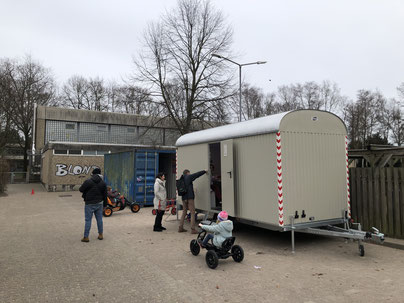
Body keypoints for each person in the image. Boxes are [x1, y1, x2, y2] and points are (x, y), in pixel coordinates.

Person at [79, 168, 107, 242]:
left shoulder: (88, 181)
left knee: (88, 220)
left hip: (89, 203)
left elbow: (81, 189)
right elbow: (105, 195)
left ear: (93, 174)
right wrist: (105, 205)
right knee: (99, 219)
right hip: (99, 203)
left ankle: (86, 237)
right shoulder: (103, 183)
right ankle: (100, 235)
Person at [178, 169, 207, 234]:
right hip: (189, 197)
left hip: (183, 198)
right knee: (192, 212)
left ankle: (180, 227)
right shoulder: (189, 177)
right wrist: (204, 171)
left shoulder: (181, 179)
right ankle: (193, 229)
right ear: (187, 173)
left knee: (184, 212)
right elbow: (197, 174)